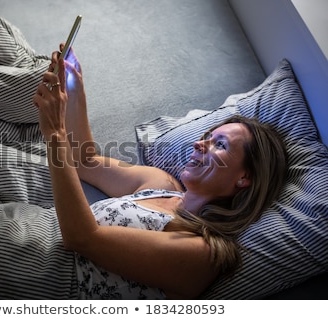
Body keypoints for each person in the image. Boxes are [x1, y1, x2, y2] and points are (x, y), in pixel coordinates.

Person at [33, 45, 288, 299]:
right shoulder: (161, 183)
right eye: (208, 136)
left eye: (219, 145)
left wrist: (55, 133)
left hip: (45, 280)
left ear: (245, 178)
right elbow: (84, 161)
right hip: (34, 228)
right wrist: (74, 88)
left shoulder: (203, 253)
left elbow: (82, 238)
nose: (200, 143)